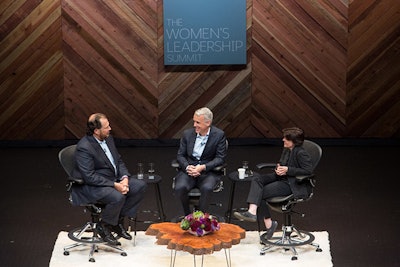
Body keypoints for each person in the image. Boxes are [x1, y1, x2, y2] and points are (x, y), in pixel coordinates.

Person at [71, 113, 147, 245]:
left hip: (113, 179)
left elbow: (118, 161)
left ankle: (115, 221)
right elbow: (89, 176)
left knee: (139, 186)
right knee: (118, 196)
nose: (110, 129)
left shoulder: (108, 139)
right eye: (106, 127)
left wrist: (124, 178)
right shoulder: (85, 147)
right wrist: (114, 185)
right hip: (92, 186)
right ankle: (104, 225)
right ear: (96, 131)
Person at [233, 127, 313, 239]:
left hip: (292, 183)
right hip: (282, 177)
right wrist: (279, 167)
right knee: (257, 179)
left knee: (261, 192)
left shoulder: (301, 153)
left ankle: (268, 224)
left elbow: (308, 170)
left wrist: (288, 170)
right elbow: (281, 163)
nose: (283, 140)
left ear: (294, 141)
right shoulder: (287, 149)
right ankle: (252, 211)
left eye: (286, 138)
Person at [174, 107, 227, 216]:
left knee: (207, 188)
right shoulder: (187, 134)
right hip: (189, 170)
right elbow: (180, 155)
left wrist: (203, 167)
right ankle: (188, 217)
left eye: (198, 122)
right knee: (180, 187)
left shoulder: (219, 135)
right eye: (194, 121)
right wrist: (187, 167)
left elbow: (220, 158)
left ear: (208, 123)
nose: (194, 125)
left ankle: (200, 219)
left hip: (208, 172)